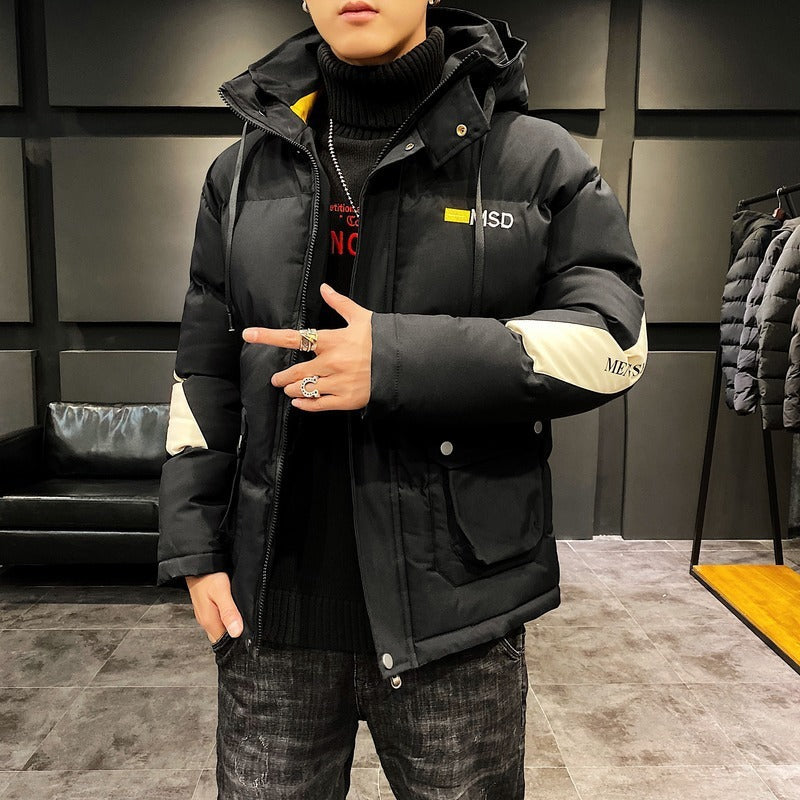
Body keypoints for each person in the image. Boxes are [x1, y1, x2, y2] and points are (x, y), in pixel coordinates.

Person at [157, 1, 648, 798]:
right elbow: (203, 372)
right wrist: (193, 550)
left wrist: (395, 360)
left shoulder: (536, 161)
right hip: (270, 621)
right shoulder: (240, 172)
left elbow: (614, 345)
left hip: (457, 622)